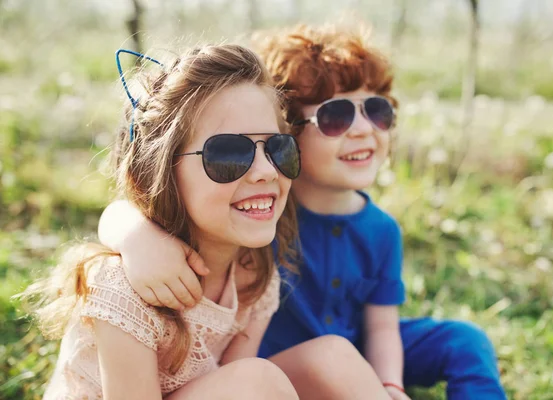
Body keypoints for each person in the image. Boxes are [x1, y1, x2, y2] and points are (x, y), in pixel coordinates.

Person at [98, 24, 507, 400]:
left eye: (377, 110)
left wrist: (389, 384)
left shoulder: (356, 227)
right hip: (276, 362)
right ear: (294, 126)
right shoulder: (256, 215)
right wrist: (136, 237)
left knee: (462, 339)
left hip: (339, 351)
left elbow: (382, 326)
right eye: (335, 116)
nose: (363, 129)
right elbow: (135, 205)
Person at [18, 43, 387, 400]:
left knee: (333, 358)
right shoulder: (123, 287)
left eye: (278, 147)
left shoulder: (256, 272)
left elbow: (230, 381)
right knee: (257, 382)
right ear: (162, 168)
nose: (265, 171)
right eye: (228, 153)